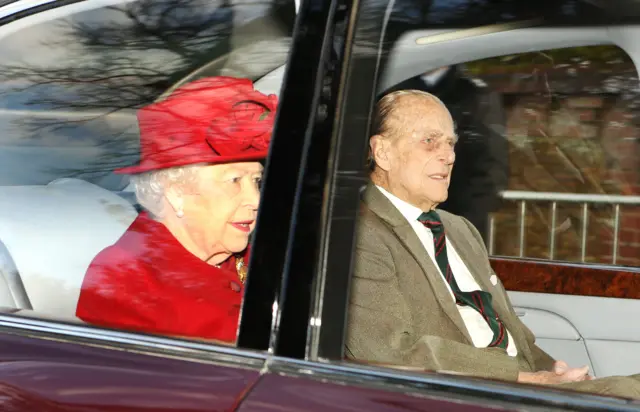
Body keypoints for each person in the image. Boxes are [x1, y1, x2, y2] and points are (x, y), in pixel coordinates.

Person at [346, 89, 640, 398]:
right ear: (382, 152)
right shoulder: (359, 235)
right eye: (429, 141)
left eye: (450, 143)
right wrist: (528, 380)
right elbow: (390, 351)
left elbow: (512, 336)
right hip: (466, 395)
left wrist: (555, 372)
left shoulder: (459, 229)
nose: (449, 156)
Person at [76, 76, 277, 343]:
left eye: (256, 181)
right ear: (175, 191)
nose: (256, 200)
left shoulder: (256, 254)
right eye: (234, 181)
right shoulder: (125, 281)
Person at [383, 66, 508, 243]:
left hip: (455, 224)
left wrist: (462, 227)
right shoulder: (395, 91)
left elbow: (490, 170)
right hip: (399, 224)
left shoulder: (476, 96)